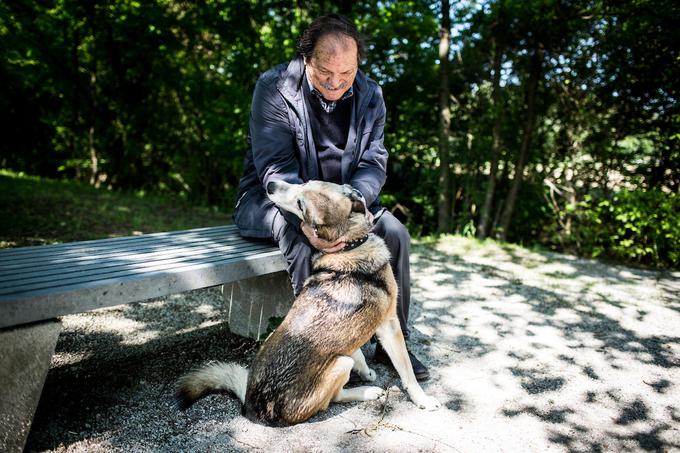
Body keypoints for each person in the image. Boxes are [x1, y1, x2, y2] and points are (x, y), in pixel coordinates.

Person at [233, 14, 429, 381]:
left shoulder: (371, 95)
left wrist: (357, 203)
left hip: (342, 204)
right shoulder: (274, 87)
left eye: (347, 72)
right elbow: (275, 170)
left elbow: (374, 161)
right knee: (302, 240)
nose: (336, 82)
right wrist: (307, 221)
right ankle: (327, 348)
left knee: (396, 234)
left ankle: (388, 346)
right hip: (272, 199)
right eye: (325, 72)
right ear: (307, 59)